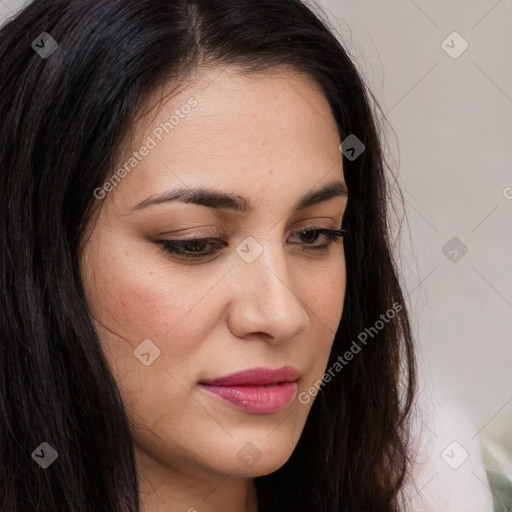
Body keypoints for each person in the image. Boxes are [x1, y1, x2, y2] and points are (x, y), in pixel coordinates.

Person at [1, 0, 477, 510]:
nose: (282, 314)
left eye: (315, 235)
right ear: (33, 257)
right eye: (194, 243)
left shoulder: (432, 487)